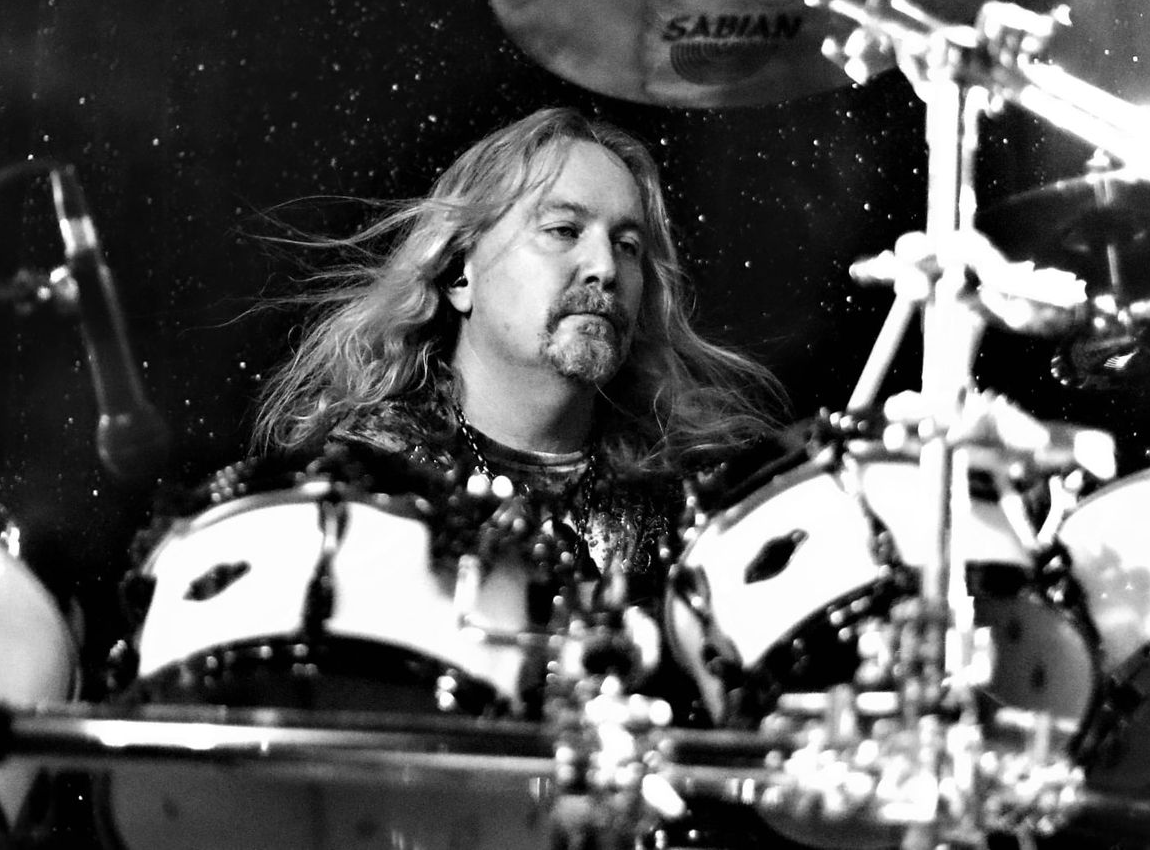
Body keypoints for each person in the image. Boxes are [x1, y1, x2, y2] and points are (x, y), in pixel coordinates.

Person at [250, 105, 786, 700]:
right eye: (563, 231)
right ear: (460, 275)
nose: (605, 268)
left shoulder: (688, 501)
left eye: (628, 245)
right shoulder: (373, 497)